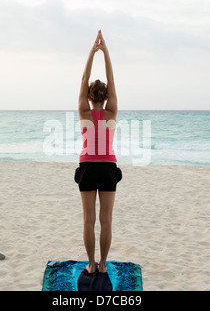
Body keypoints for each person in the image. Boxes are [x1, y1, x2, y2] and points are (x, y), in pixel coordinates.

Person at [74, 30, 122, 274]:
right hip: (107, 168)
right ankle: (103, 265)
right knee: (106, 220)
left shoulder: (84, 113)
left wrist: (92, 51)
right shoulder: (111, 113)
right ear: (105, 97)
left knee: (88, 220)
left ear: (90, 96)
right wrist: (106, 52)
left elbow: (84, 78)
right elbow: (112, 80)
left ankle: (91, 265)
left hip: (87, 168)